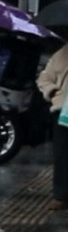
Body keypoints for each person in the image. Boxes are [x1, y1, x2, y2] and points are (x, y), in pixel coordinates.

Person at [38, 41, 68, 210]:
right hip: (62, 110)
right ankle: (61, 195)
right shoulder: (62, 53)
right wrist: (52, 91)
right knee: (62, 154)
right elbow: (44, 77)